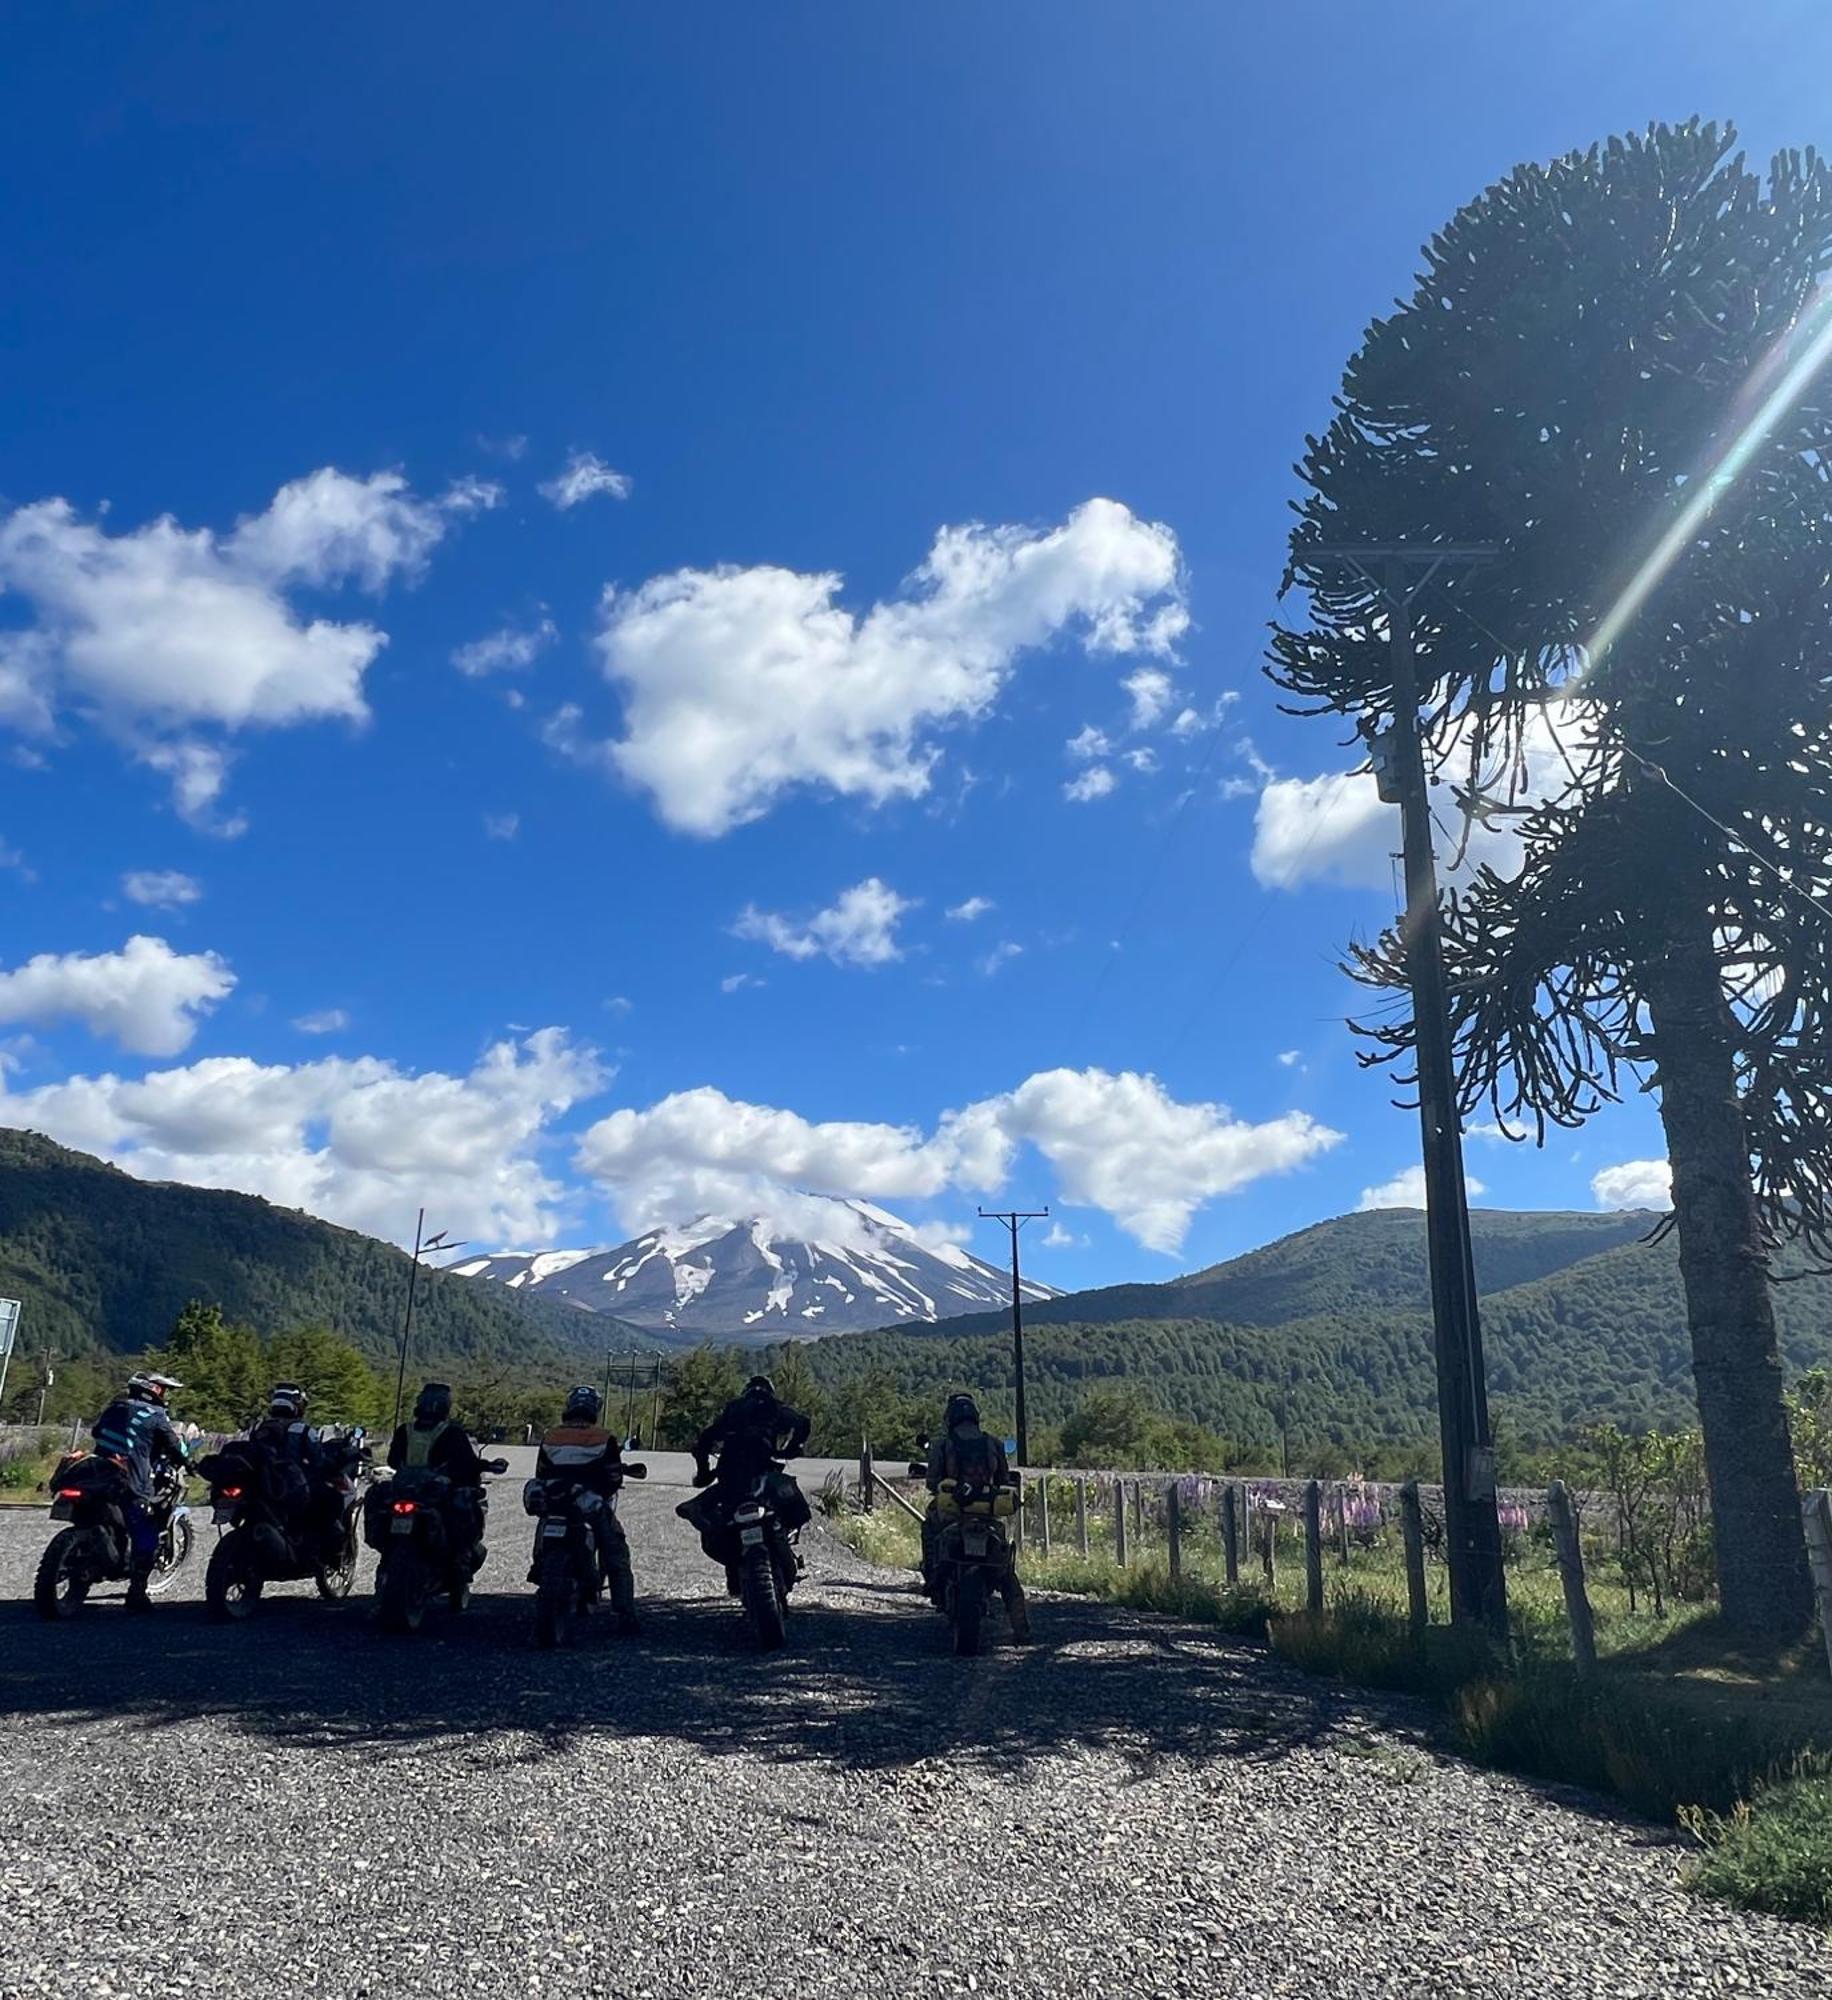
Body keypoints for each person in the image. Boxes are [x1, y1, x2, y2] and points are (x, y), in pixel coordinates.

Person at [921, 1391, 1031, 1641]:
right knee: (1005, 1571)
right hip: (988, 1515)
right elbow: (1004, 1479)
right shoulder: (993, 1443)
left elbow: (932, 1482)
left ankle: (933, 1576)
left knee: (929, 1526)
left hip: (953, 1514)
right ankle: (1021, 1628)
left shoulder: (943, 1444)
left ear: (950, 1418)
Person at [534, 1385, 640, 1634]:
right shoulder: (603, 1437)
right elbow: (613, 1479)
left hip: (555, 1499)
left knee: (543, 1528)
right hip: (588, 1504)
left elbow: (540, 1472)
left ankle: (538, 1566)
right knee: (616, 1551)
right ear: (595, 1409)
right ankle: (625, 1613)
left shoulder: (550, 1436)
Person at [689, 1374, 812, 1588]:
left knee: (713, 1514)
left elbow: (704, 1441)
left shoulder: (733, 1410)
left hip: (730, 1474)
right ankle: (779, 1550)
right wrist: (793, 1448)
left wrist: (703, 1473)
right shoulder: (774, 1407)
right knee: (788, 1503)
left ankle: (735, 1568)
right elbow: (803, 1422)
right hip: (762, 1471)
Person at [90, 1371, 191, 1612]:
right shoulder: (155, 1415)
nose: (165, 1395)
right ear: (152, 1390)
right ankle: (136, 1592)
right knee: (145, 1529)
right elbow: (175, 1447)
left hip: (98, 1474)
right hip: (131, 1481)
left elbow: (97, 1432)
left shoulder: (115, 1408)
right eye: (163, 1389)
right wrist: (190, 1463)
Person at [387, 1382, 488, 1568]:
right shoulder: (452, 1432)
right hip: (434, 1493)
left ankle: (387, 1564)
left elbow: (392, 1461)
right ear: (446, 1407)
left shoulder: (404, 1430)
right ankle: (460, 1561)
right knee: (465, 1514)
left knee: (381, 1505)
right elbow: (468, 1462)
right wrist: (486, 1465)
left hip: (403, 1489)